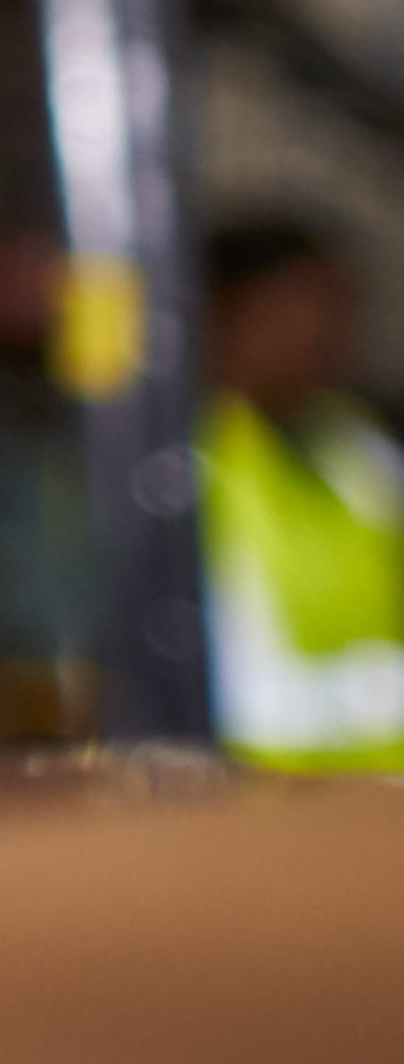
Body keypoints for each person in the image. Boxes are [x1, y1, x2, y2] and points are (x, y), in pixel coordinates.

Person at [198, 215, 404, 772]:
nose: (318, 333)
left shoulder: (361, 450)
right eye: (287, 310)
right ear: (222, 319)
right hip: (259, 808)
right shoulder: (186, 469)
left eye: (333, 309)